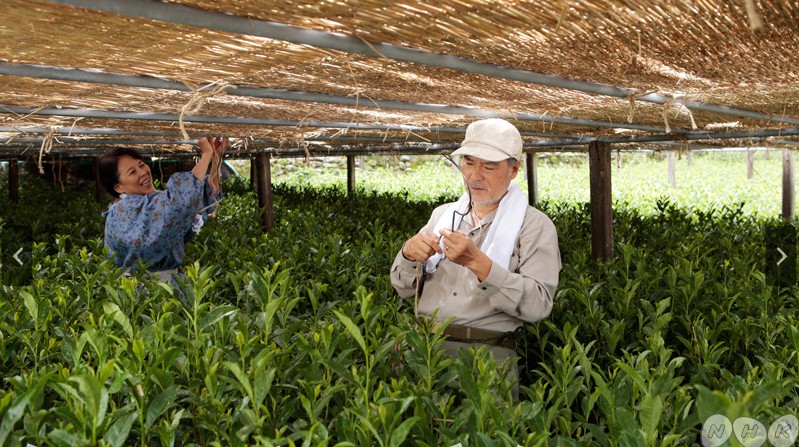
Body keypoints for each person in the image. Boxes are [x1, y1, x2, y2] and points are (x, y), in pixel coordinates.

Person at [390, 118, 560, 398]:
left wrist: (479, 263)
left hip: (487, 359)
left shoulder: (534, 226)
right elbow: (402, 287)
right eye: (469, 162)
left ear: (514, 168)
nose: (475, 175)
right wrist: (409, 254)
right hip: (424, 353)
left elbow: (539, 305)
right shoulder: (442, 216)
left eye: (489, 166)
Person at [99, 137, 228, 287]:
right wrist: (206, 155)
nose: (142, 172)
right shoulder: (124, 209)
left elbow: (203, 197)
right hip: (143, 294)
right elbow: (181, 202)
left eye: (141, 165)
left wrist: (216, 157)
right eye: (132, 172)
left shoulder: (150, 202)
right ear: (118, 187)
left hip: (167, 288)